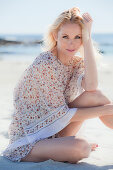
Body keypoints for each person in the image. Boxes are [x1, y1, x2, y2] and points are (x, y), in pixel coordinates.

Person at [2, 7, 113, 164]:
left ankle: (62, 147)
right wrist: (107, 109)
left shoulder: (75, 64)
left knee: (95, 95)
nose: (71, 43)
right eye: (65, 36)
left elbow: (92, 86)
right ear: (55, 35)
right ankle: (63, 148)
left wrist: (87, 40)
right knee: (81, 148)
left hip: (55, 131)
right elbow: (59, 115)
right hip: (30, 140)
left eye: (78, 37)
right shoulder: (45, 64)